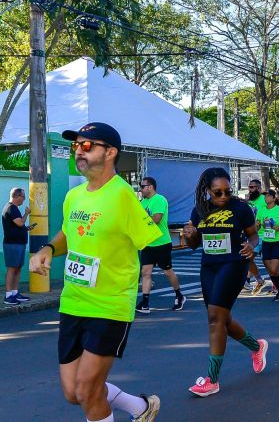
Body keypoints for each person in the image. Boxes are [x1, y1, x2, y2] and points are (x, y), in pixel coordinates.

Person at [29, 122, 161, 421]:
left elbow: (151, 241)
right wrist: (48, 249)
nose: (79, 150)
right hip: (74, 301)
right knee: (73, 393)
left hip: (110, 305)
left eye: (87, 145)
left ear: (110, 152)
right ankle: (141, 407)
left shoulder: (123, 195)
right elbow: (67, 233)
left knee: (88, 390)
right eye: (76, 145)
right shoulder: (74, 196)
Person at [182, 167, 268, 397]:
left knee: (214, 319)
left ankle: (212, 379)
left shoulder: (241, 208)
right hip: (209, 266)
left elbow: (253, 234)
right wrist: (189, 234)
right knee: (223, 320)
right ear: (207, 190)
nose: (223, 197)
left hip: (234, 264)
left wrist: (252, 245)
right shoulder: (200, 210)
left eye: (227, 192)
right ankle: (257, 346)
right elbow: (193, 245)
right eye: (217, 192)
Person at [136, 177, 185, 313]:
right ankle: (145, 303)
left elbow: (156, 219)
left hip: (161, 243)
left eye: (143, 186)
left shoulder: (159, 199)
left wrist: (140, 221)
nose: (141, 189)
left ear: (150, 187)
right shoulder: (143, 202)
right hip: (148, 243)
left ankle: (179, 296)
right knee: (145, 272)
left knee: (168, 272)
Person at [257, 190, 279, 301]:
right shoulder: (261, 211)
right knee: (270, 270)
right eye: (265, 196)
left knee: (273, 268)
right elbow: (257, 224)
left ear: (274, 198)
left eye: (268, 196)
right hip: (266, 242)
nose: (266, 198)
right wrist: (258, 225)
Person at [2, 187, 33, 305]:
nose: (23, 200)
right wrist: (26, 213)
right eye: (23, 197)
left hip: (18, 244)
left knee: (18, 268)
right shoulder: (11, 208)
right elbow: (19, 222)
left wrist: (26, 228)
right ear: (16, 196)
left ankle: (15, 293)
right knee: (12, 268)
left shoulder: (14, 208)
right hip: (12, 244)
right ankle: (8, 295)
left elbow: (17, 226)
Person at [244, 179, 267, 295]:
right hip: (251, 234)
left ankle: (274, 282)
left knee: (269, 261)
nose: (250, 189)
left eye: (253, 187)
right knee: (248, 258)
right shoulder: (248, 200)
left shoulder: (264, 199)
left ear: (259, 188)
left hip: (264, 234)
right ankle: (257, 280)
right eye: (249, 187)